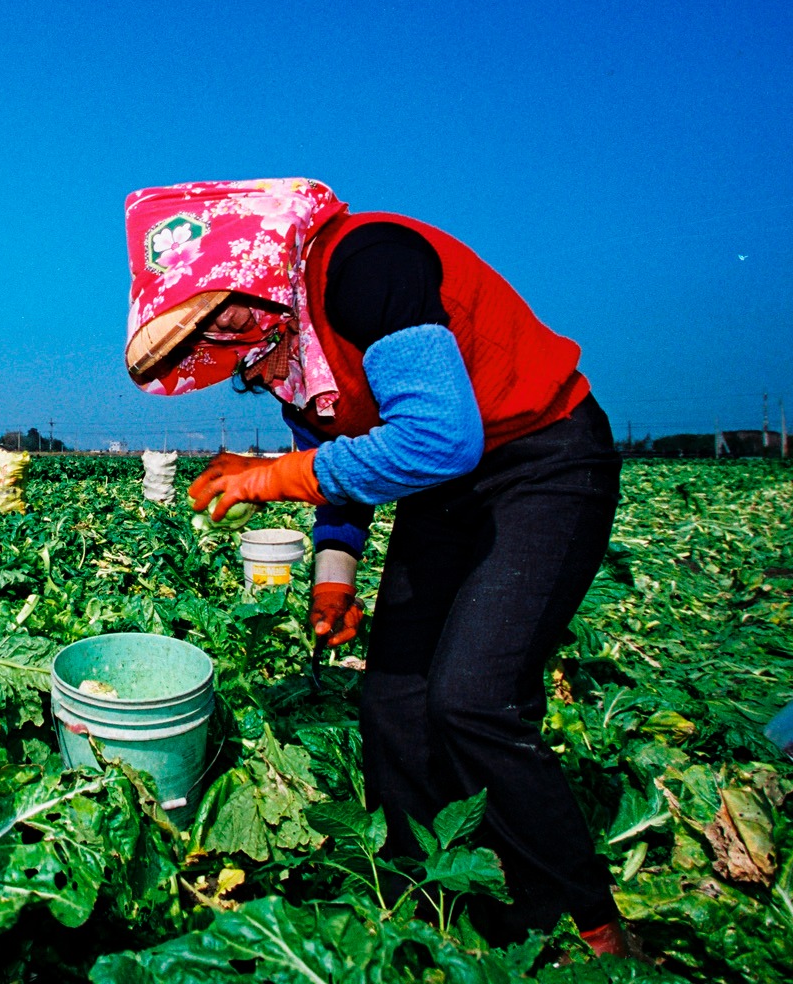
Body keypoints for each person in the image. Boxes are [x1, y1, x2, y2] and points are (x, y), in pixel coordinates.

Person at [124, 178, 635, 956]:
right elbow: (339, 465)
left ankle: (585, 926)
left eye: (220, 321)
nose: (238, 361)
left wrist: (269, 479)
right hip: (445, 492)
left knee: (474, 697)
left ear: (256, 276)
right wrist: (335, 582)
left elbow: (438, 436)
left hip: (544, 460)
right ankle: (428, 896)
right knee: (394, 697)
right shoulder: (294, 362)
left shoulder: (365, 266)